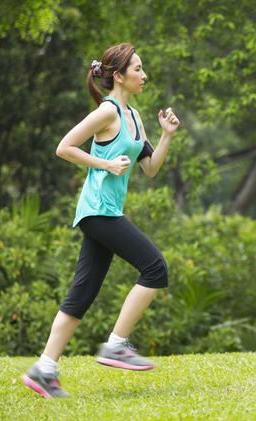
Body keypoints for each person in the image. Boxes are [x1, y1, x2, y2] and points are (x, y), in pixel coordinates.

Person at [21, 43, 180, 399]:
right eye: (138, 69)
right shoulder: (106, 112)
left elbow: (151, 169)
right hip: (97, 211)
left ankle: (44, 369)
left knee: (82, 294)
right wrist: (105, 164)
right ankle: (117, 344)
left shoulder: (135, 117)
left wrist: (167, 135)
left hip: (106, 213)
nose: (144, 75)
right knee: (155, 268)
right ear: (119, 76)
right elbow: (65, 147)